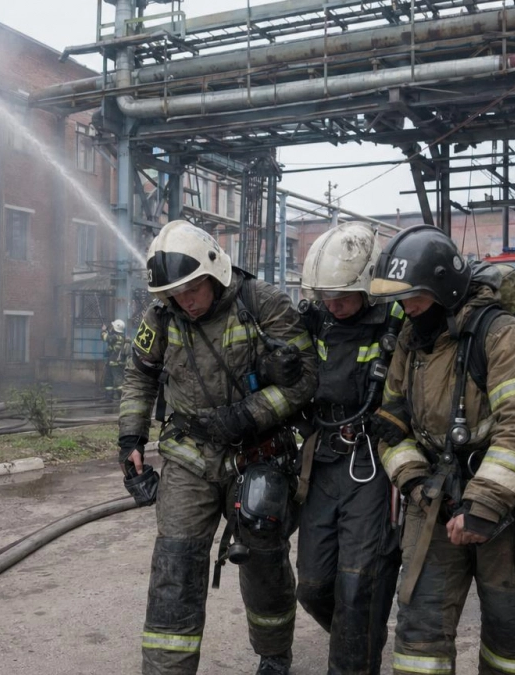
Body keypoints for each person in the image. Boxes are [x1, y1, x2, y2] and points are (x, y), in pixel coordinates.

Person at [117, 220, 318, 675]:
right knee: (175, 566)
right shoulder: (161, 318)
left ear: (214, 271)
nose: (184, 301)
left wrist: (249, 415)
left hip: (258, 455)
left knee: (263, 562)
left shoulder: (263, 304)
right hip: (189, 457)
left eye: (191, 290)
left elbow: (306, 377)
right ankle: (167, 668)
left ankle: (273, 654)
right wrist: (131, 438)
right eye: (174, 294)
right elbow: (139, 376)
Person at [366, 225, 515, 675]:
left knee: (509, 643)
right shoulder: (412, 340)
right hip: (432, 504)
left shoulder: (500, 334)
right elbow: (391, 423)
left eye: (414, 296)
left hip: (508, 512)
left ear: (443, 289)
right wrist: (415, 482)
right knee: (418, 637)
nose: (406, 307)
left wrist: (484, 504)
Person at [294, 222, 403, 675]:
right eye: (325, 296)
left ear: (366, 288)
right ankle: (362, 643)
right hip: (323, 459)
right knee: (314, 586)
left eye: (341, 297)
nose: (332, 305)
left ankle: (353, 664)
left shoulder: (395, 324)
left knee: (359, 585)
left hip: (371, 463)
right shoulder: (315, 319)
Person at [102, 319, 129, 401]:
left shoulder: (115, 337)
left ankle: (122, 397)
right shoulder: (121, 337)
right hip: (114, 362)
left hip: (115, 363)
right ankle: (109, 397)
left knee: (118, 381)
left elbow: (106, 338)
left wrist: (103, 331)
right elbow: (111, 347)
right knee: (108, 379)